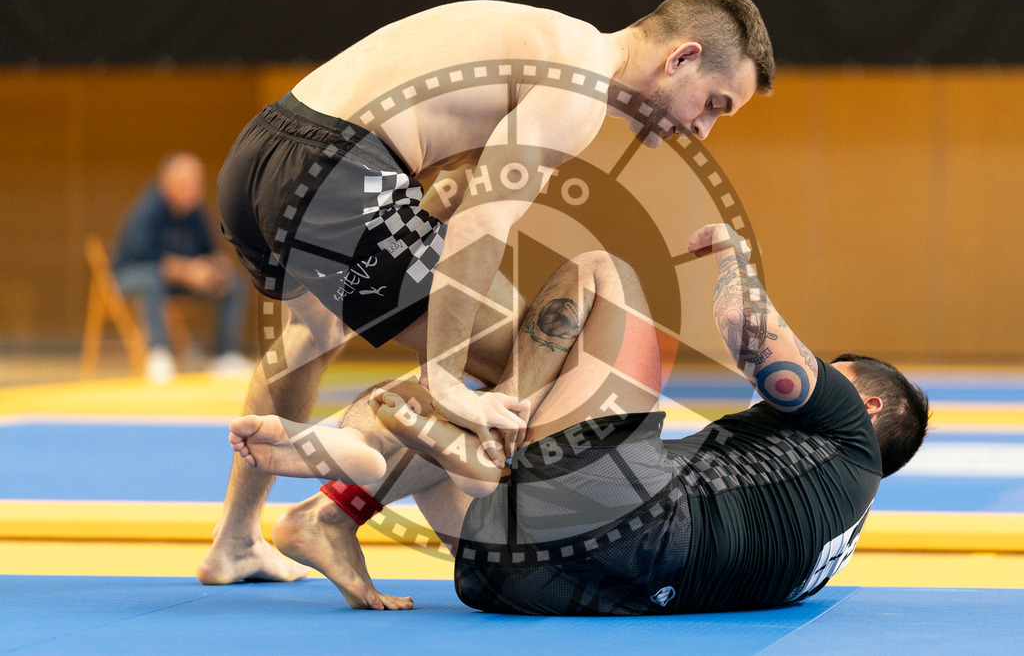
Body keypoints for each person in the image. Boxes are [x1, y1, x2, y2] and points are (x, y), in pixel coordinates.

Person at [202, 0, 776, 584]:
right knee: (540, 352)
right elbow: (483, 220)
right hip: (339, 172)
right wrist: (446, 380)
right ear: (680, 58)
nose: (703, 129)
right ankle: (331, 499)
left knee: (311, 332)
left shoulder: (546, 38)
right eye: (714, 103)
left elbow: (450, 192)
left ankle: (236, 541)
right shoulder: (577, 87)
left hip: (260, 154)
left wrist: (417, 279)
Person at [228, 223, 930, 613]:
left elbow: (745, 327)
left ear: (866, 402)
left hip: (631, 514)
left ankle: (486, 437)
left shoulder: (843, 428)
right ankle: (374, 492)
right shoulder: (832, 543)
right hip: (526, 582)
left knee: (602, 270)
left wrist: (733, 257)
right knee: (485, 424)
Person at [113, 152, 250, 383]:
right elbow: (146, 259)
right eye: (187, 184)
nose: (195, 190)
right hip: (131, 277)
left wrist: (217, 267)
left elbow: (209, 253)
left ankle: (224, 356)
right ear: (167, 183)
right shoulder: (149, 210)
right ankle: (158, 354)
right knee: (153, 278)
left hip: (175, 283)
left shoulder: (195, 213)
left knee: (233, 281)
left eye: (198, 183)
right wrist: (188, 271)